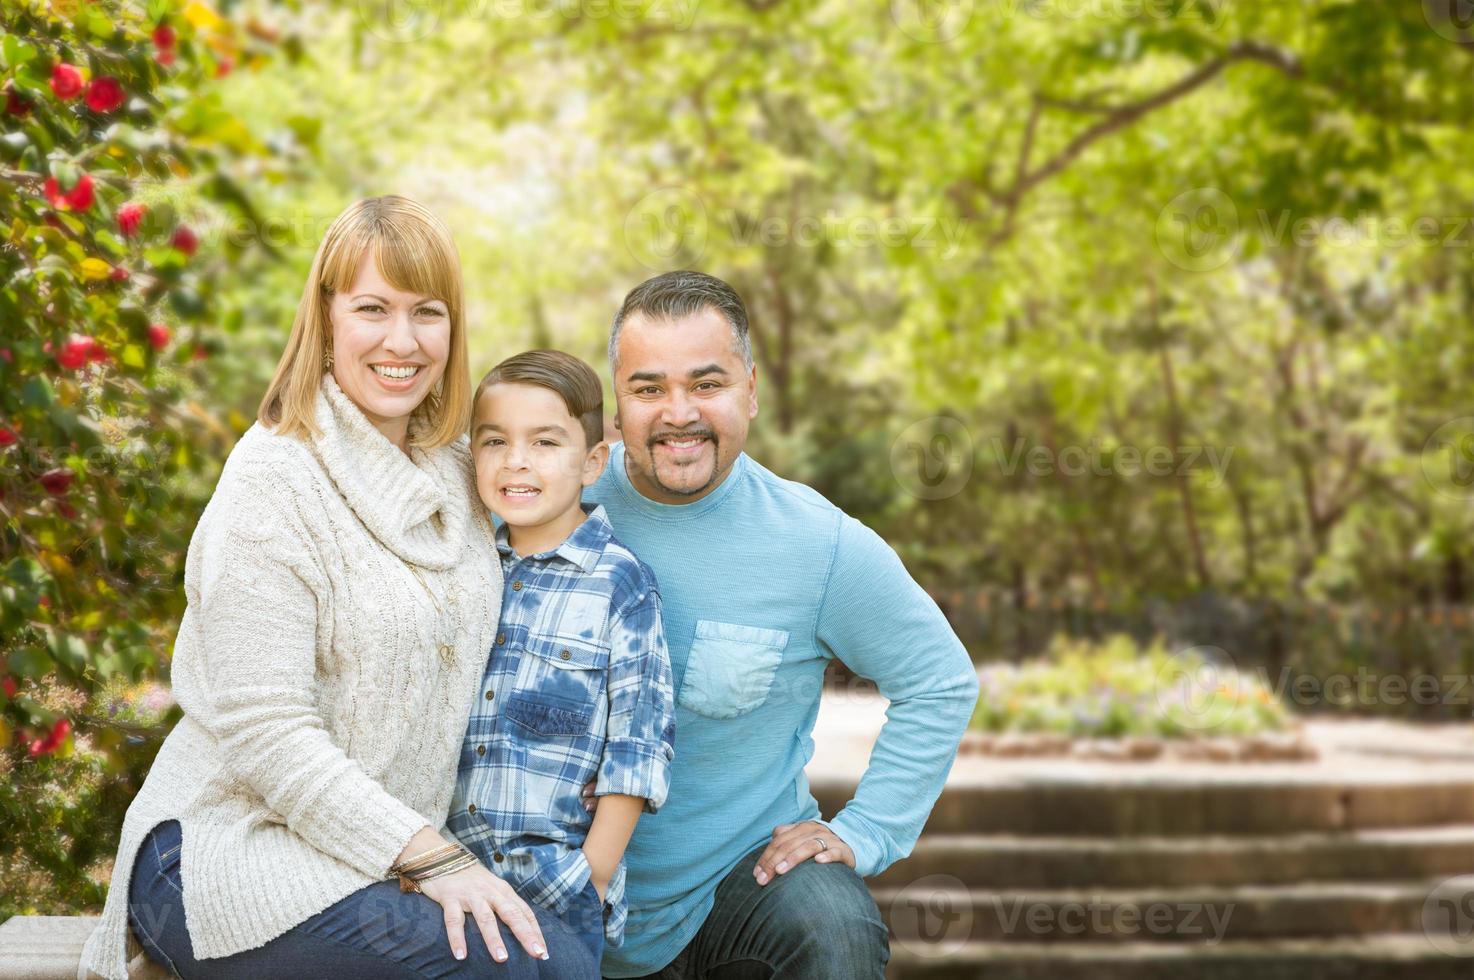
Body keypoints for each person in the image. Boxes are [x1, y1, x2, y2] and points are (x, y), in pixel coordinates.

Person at [79, 196, 592, 979]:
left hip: (373, 853)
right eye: (373, 309)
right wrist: (433, 858)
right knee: (529, 968)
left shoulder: (459, 466)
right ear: (326, 317)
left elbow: (575, 472)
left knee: (565, 952)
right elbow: (267, 734)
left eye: (427, 312)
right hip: (226, 851)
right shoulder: (273, 482)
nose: (402, 340)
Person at [580, 271, 982, 979]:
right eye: (649, 389)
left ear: (752, 390)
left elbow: (940, 682)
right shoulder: (551, 500)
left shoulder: (817, 545)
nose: (679, 413)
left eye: (707, 384)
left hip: (734, 890)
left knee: (833, 926)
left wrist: (866, 830)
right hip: (556, 888)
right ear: (617, 404)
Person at [451, 349, 677, 969]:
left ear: (592, 461)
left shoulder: (620, 584)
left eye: (546, 442)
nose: (516, 461)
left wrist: (590, 881)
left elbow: (637, 750)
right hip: (448, 884)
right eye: (494, 441)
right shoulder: (464, 569)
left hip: (554, 892)